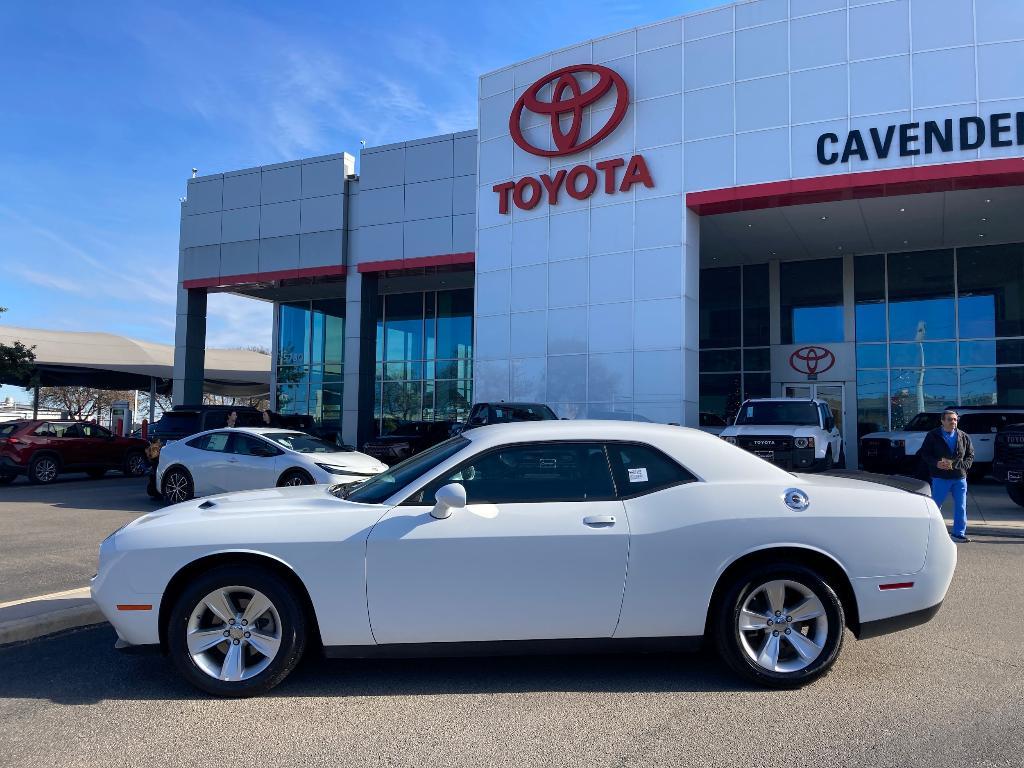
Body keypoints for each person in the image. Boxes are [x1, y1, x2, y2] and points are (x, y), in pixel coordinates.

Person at [919, 408, 974, 543]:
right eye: (950, 419)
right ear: (942, 421)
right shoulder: (933, 435)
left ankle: (958, 533)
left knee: (961, 506)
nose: (953, 422)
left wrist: (962, 466)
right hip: (940, 477)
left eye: (955, 419)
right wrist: (936, 463)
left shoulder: (963, 436)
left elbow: (970, 456)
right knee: (936, 506)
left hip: (959, 478)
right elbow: (925, 454)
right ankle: (931, 532)